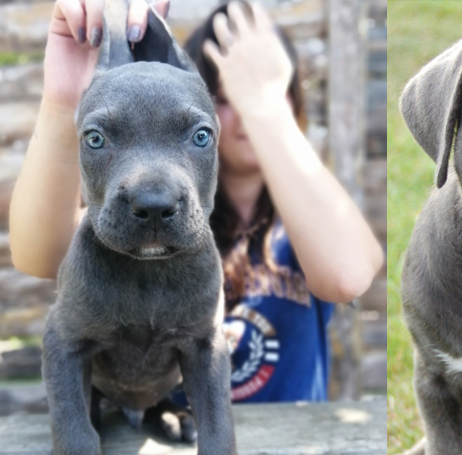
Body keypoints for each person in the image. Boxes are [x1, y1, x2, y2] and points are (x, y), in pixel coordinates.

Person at [9, 0, 382, 416]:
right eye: (222, 97)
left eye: (265, 89)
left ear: (292, 102)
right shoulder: (157, 207)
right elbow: (38, 256)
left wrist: (267, 106)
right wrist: (64, 103)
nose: (243, 110)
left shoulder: (306, 215)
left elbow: (349, 276)